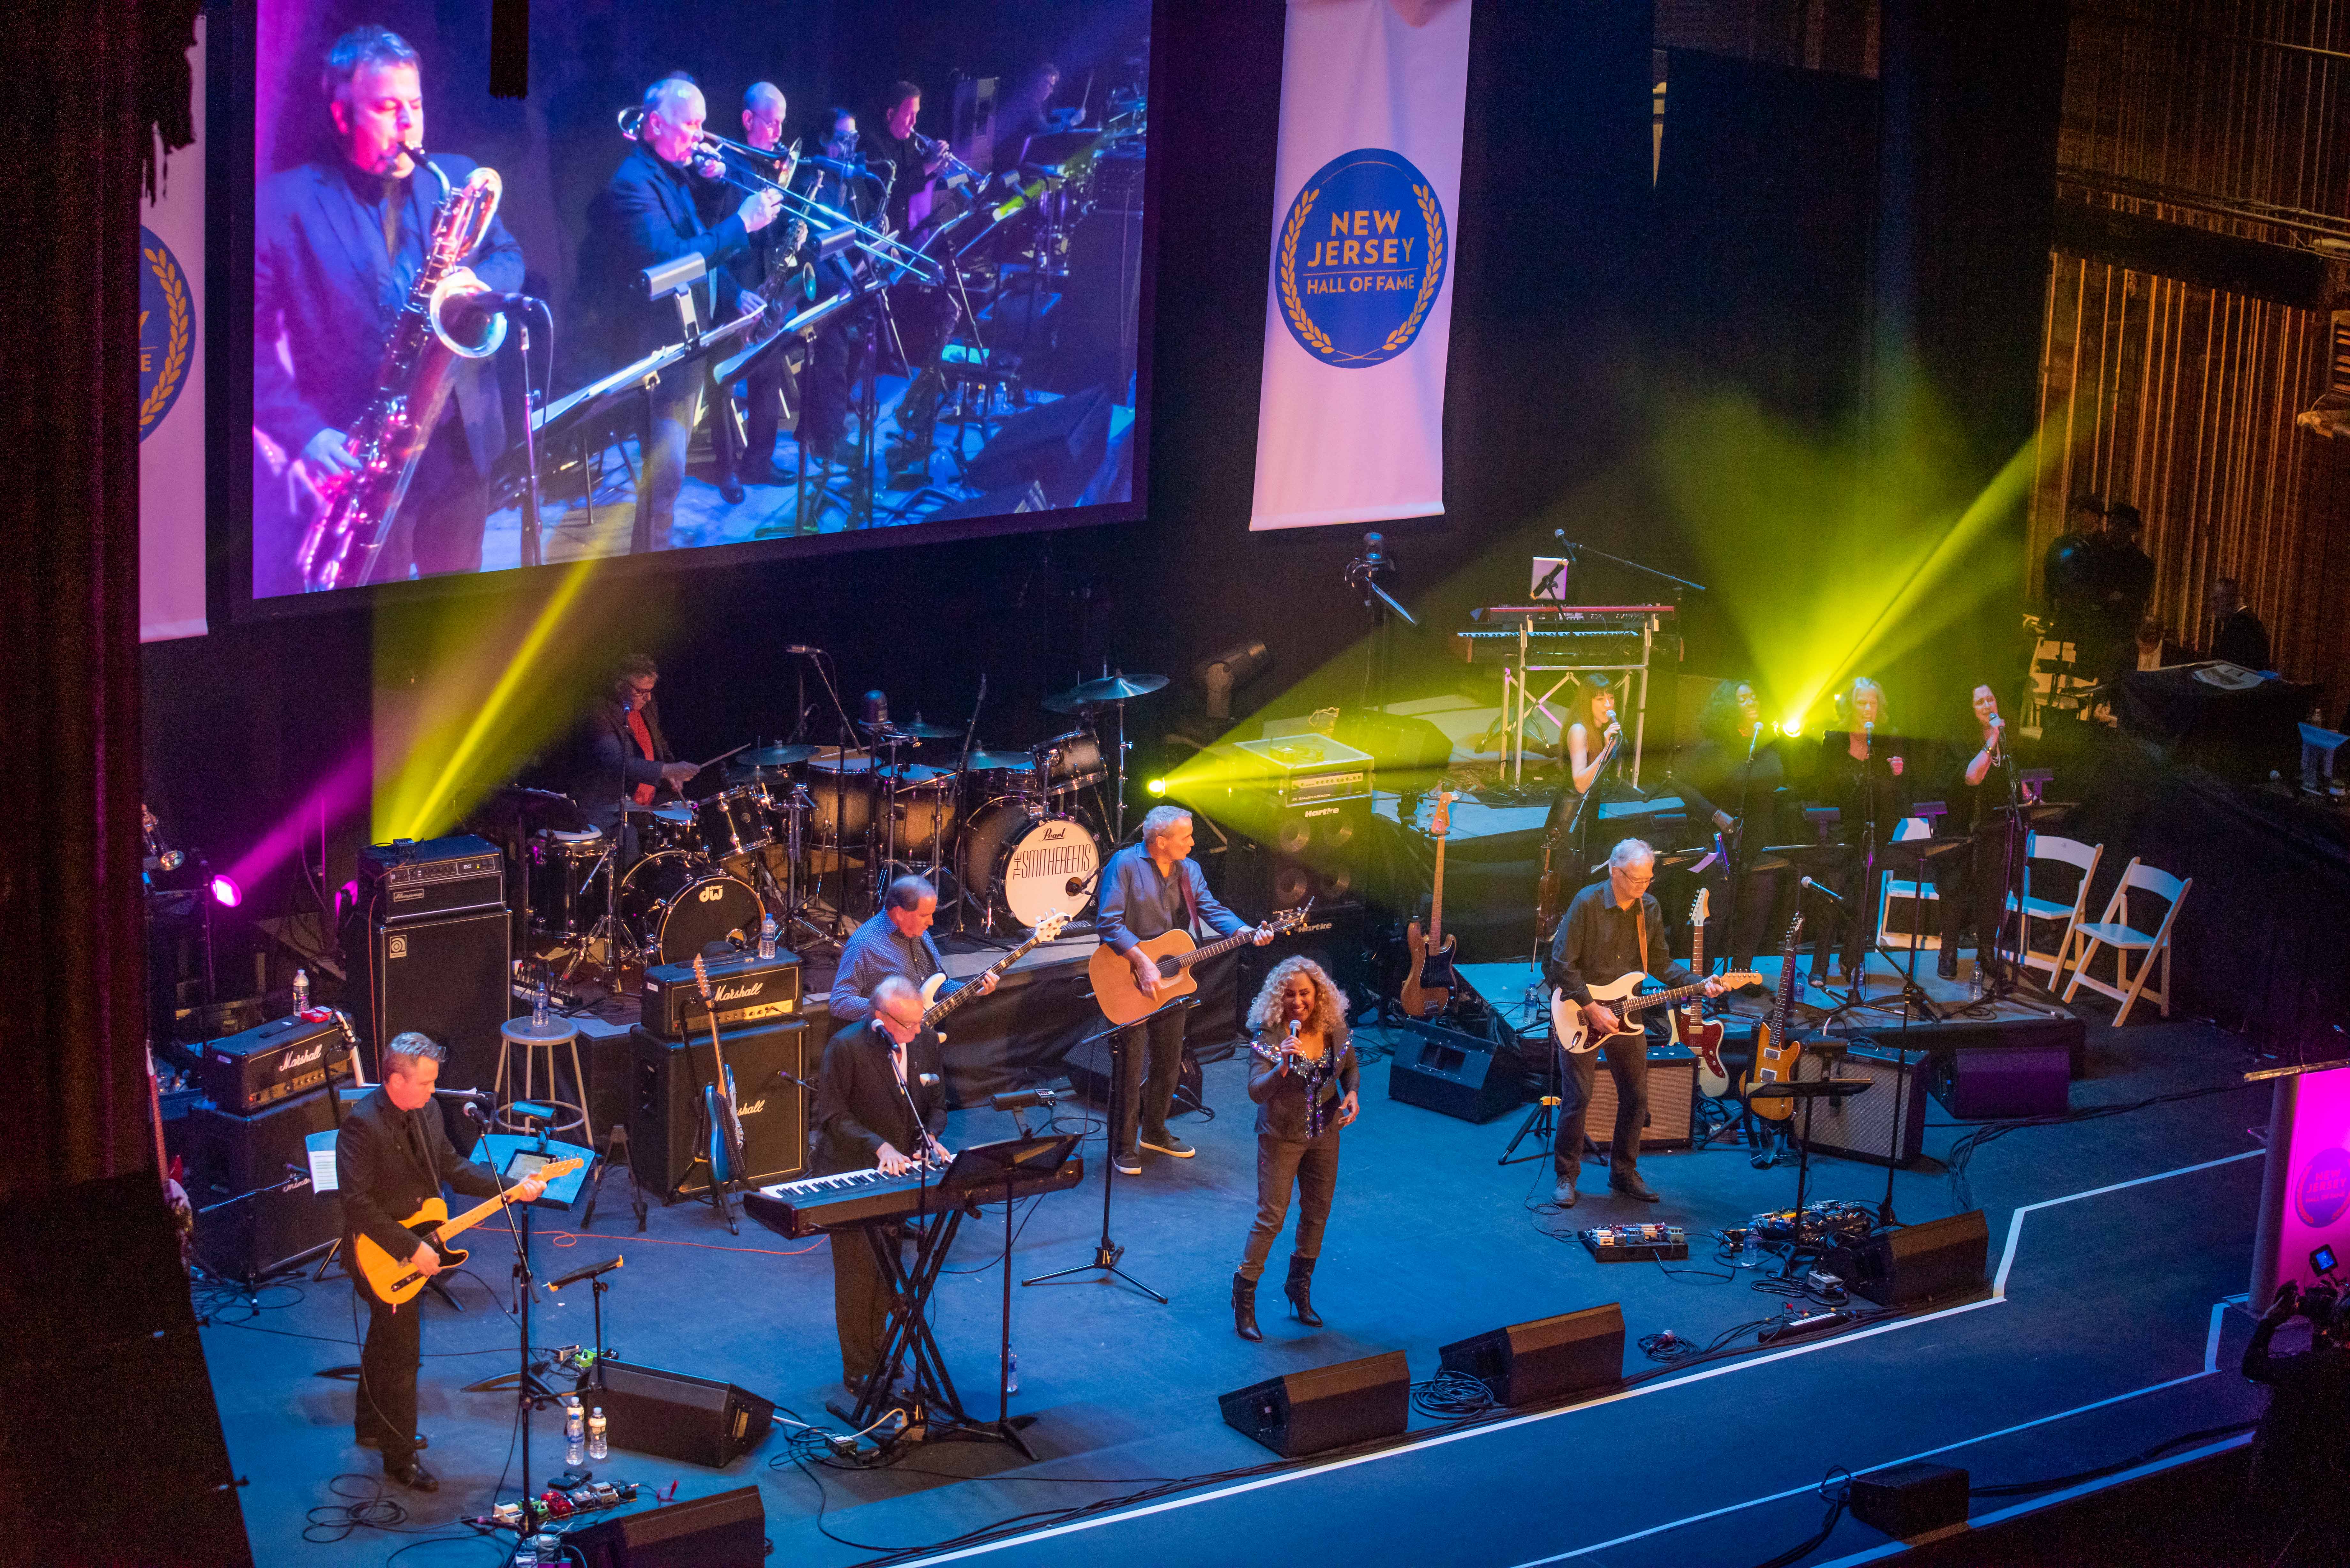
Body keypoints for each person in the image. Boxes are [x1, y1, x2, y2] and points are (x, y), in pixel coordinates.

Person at [253, 25, 524, 594]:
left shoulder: (451, 181)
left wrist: (477, 282)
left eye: (416, 105)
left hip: (458, 449)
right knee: (379, 623)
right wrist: (305, 435)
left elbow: (508, 255)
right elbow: (241, 345)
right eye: (386, 107)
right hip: (365, 460)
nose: (408, 124)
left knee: (455, 610)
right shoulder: (285, 205)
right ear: (342, 114)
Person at [582, 74, 784, 552]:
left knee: (667, 481)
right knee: (666, 477)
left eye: (702, 124)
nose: (698, 136)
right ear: (654, 124)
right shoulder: (633, 184)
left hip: (694, 336)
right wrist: (743, 222)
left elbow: (701, 237)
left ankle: (654, 556)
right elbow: (675, 259)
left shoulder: (676, 173)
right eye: (689, 124)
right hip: (661, 348)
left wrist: (716, 192)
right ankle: (649, 568)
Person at [337, 1032, 545, 1491]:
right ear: (395, 1081)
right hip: (379, 1253)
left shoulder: (428, 1112)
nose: (434, 1091)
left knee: (385, 1338)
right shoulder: (362, 1126)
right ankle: (399, 1459)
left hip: (416, 1236)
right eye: (426, 1082)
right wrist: (411, 1249)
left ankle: (370, 1425)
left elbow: (452, 1167)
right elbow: (357, 1204)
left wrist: (509, 1186)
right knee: (402, 1355)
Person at [1545, 839, 1725, 1206]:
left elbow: (1659, 962)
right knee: (1578, 1097)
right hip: (1580, 1011)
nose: (1644, 886)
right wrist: (1592, 1007)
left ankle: (1623, 1173)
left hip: (1628, 1016)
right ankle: (1566, 1175)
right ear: (1615, 871)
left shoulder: (1649, 908)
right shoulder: (1587, 903)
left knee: (1637, 1097)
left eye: (1649, 879)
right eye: (1637, 879)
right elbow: (1561, 964)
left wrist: (1698, 983)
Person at [1097, 805, 1273, 1174]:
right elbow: (1109, 923)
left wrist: (1245, 932)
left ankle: (1156, 1132)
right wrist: (1143, 962)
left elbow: (1211, 908)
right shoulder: (1124, 865)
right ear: (1160, 842)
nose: (1193, 843)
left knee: (1168, 1062)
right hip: (1130, 974)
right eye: (1186, 837)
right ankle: (1123, 1146)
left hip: (1172, 980)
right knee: (1130, 1069)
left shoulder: (1189, 870)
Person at [810, 975, 950, 1392]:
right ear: (879, 1019)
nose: (918, 1030)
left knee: (887, 1270)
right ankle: (858, 1368)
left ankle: (880, 1353)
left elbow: (939, 1103)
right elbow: (832, 1116)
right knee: (857, 1276)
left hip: (901, 1175)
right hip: (851, 1172)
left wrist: (930, 1138)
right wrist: (880, 1147)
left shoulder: (924, 1041)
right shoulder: (847, 1047)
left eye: (920, 1020)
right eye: (908, 1024)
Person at [1232, 957, 1360, 1342]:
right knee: (1271, 1216)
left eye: (1305, 993)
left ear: (1318, 993)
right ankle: (1244, 1297)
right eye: (1290, 994)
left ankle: (1298, 1289)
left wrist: (1352, 1092)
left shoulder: (1333, 1027)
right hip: (1281, 1134)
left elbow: (1351, 1065)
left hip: (1325, 1131)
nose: (1298, 1001)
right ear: (1278, 997)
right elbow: (1257, 1092)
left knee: (1317, 1212)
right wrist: (1282, 1067)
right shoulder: (1267, 1036)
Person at [715, 81, 809, 494]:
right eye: (772, 123)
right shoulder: (724, 168)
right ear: (748, 120)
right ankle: (726, 471)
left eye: (783, 124)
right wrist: (734, 293)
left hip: (765, 288)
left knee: (768, 377)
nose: (779, 134)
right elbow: (710, 242)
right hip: (731, 291)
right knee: (720, 383)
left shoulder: (775, 167)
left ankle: (759, 462)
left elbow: (775, 234)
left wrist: (795, 226)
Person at [1670, 678, 1786, 968]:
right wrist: (1716, 814)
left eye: (1755, 698)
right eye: (1745, 699)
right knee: (1717, 911)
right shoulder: (1715, 748)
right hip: (1720, 841)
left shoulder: (1767, 742)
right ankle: (1703, 977)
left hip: (1760, 838)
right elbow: (1681, 784)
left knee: (1757, 910)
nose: (1753, 703)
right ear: (1729, 707)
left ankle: (1741, 971)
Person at [1810, 677, 1908, 981]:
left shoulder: (1888, 741)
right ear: (1851, 706)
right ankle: (1819, 965)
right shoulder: (1835, 740)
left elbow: (1893, 796)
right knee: (1832, 898)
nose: (1868, 709)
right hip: (1840, 832)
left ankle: (1850, 961)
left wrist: (1896, 775)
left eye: (1873, 703)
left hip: (1875, 832)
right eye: (1862, 703)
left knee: (1865, 899)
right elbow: (1824, 790)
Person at [2242, 1283, 2350, 1528]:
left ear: (2342, 1326)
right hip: (2334, 1478)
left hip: (2291, 1478)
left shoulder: (2313, 1370)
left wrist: (2268, 1323)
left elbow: (2252, 1367)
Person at [827, 874, 997, 1026]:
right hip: (887, 1044)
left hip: (922, 1039)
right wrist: (891, 1009)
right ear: (900, 913)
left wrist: (973, 990)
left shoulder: (919, 933)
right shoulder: (865, 944)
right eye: (924, 915)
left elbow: (936, 985)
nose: (931, 922)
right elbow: (840, 1002)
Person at [1934, 683, 2016, 985]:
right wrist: (1993, 738)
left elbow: (2010, 779)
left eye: (1990, 699)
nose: (1986, 705)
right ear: (1970, 709)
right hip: (1960, 828)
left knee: (1991, 894)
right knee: (1954, 891)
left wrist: (2027, 794)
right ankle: (1948, 953)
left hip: (1993, 829)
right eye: (1979, 701)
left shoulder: (2005, 741)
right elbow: (1972, 778)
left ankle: (1986, 953)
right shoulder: (1960, 741)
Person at [575, 654, 698, 830]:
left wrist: (672, 770)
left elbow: (658, 742)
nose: (647, 698)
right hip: (608, 805)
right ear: (620, 686)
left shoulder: (647, 704)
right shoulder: (598, 712)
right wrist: (667, 770)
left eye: (650, 691)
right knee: (629, 837)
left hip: (646, 804)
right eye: (641, 692)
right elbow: (616, 762)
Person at [2207, 576, 2273, 671]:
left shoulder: (2243, 624)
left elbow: (2231, 664)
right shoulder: (2245, 621)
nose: (2213, 606)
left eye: (2217, 600)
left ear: (2233, 598)